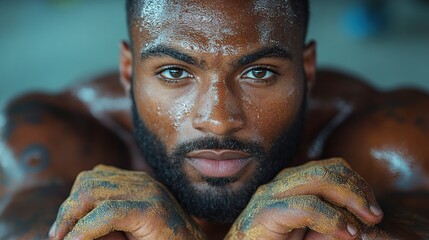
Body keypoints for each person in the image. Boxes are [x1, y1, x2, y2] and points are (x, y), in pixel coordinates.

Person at [1, 0, 428, 239]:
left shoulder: (392, 137)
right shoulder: (49, 135)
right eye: (175, 72)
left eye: (259, 72)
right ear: (128, 70)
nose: (219, 121)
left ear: (307, 69)